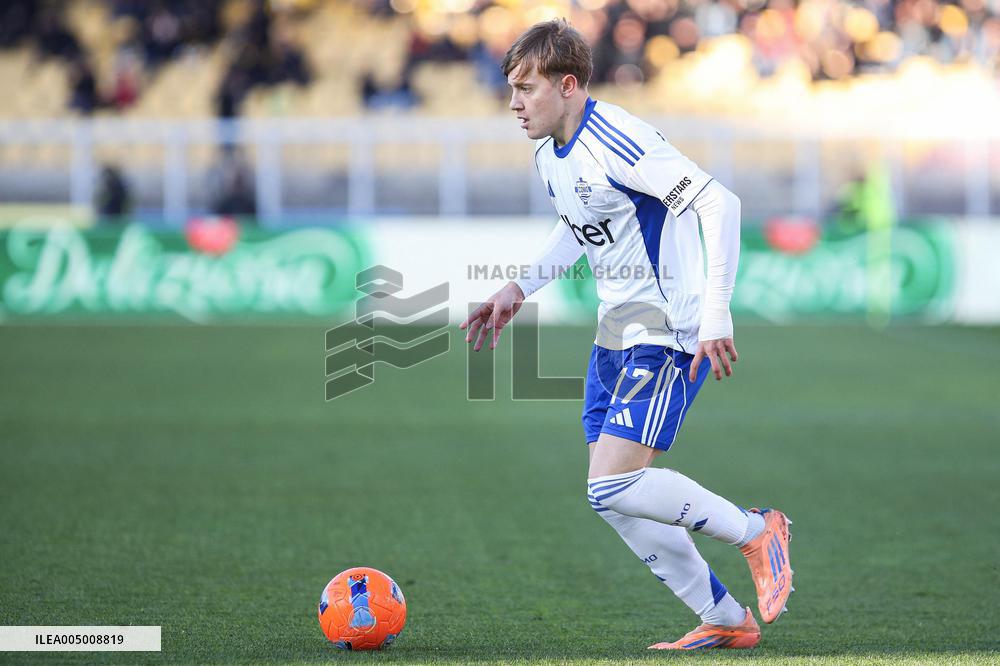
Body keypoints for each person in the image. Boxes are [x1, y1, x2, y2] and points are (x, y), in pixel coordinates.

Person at [460, 19, 793, 651]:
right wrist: (519, 288)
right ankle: (724, 618)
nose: (514, 104)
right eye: (512, 90)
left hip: (668, 330)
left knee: (612, 482)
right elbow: (577, 225)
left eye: (526, 89)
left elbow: (720, 203)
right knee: (610, 495)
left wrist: (715, 314)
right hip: (614, 335)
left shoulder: (618, 139)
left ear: (568, 85)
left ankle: (756, 530)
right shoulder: (548, 150)